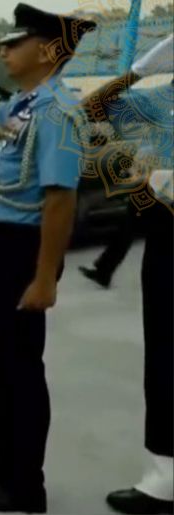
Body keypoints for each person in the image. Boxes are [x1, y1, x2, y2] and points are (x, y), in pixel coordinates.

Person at [0, 3, 96, 513]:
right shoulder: (29, 104)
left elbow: (60, 199)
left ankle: (25, 485)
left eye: (16, 43)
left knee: (21, 370)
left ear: (47, 50)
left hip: (21, 252)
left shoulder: (58, 112)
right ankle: (5, 459)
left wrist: (45, 278)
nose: (5, 50)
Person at [88, 34, 173, 515]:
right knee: (164, 357)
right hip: (167, 234)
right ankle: (164, 478)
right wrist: (140, 69)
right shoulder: (164, 99)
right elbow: (95, 108)